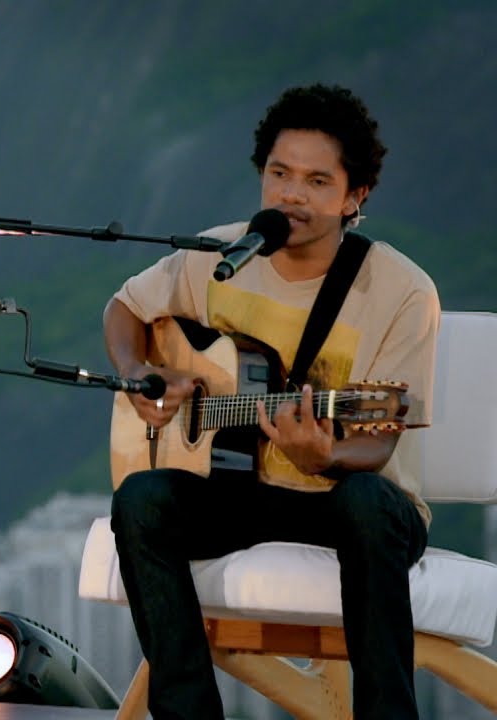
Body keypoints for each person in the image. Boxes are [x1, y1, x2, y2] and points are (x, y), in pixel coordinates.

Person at [102, 83, 440, 719]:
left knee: (368, 504)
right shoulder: (221, 255)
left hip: (347, 501)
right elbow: (125, 305)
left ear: (355, 195)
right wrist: (137, 370)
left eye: (317, 181)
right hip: (238, 490)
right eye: (280, 174)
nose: (292, 195)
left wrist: (325, 456)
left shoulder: (401, 291)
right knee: (141, 501)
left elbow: (381, 437)